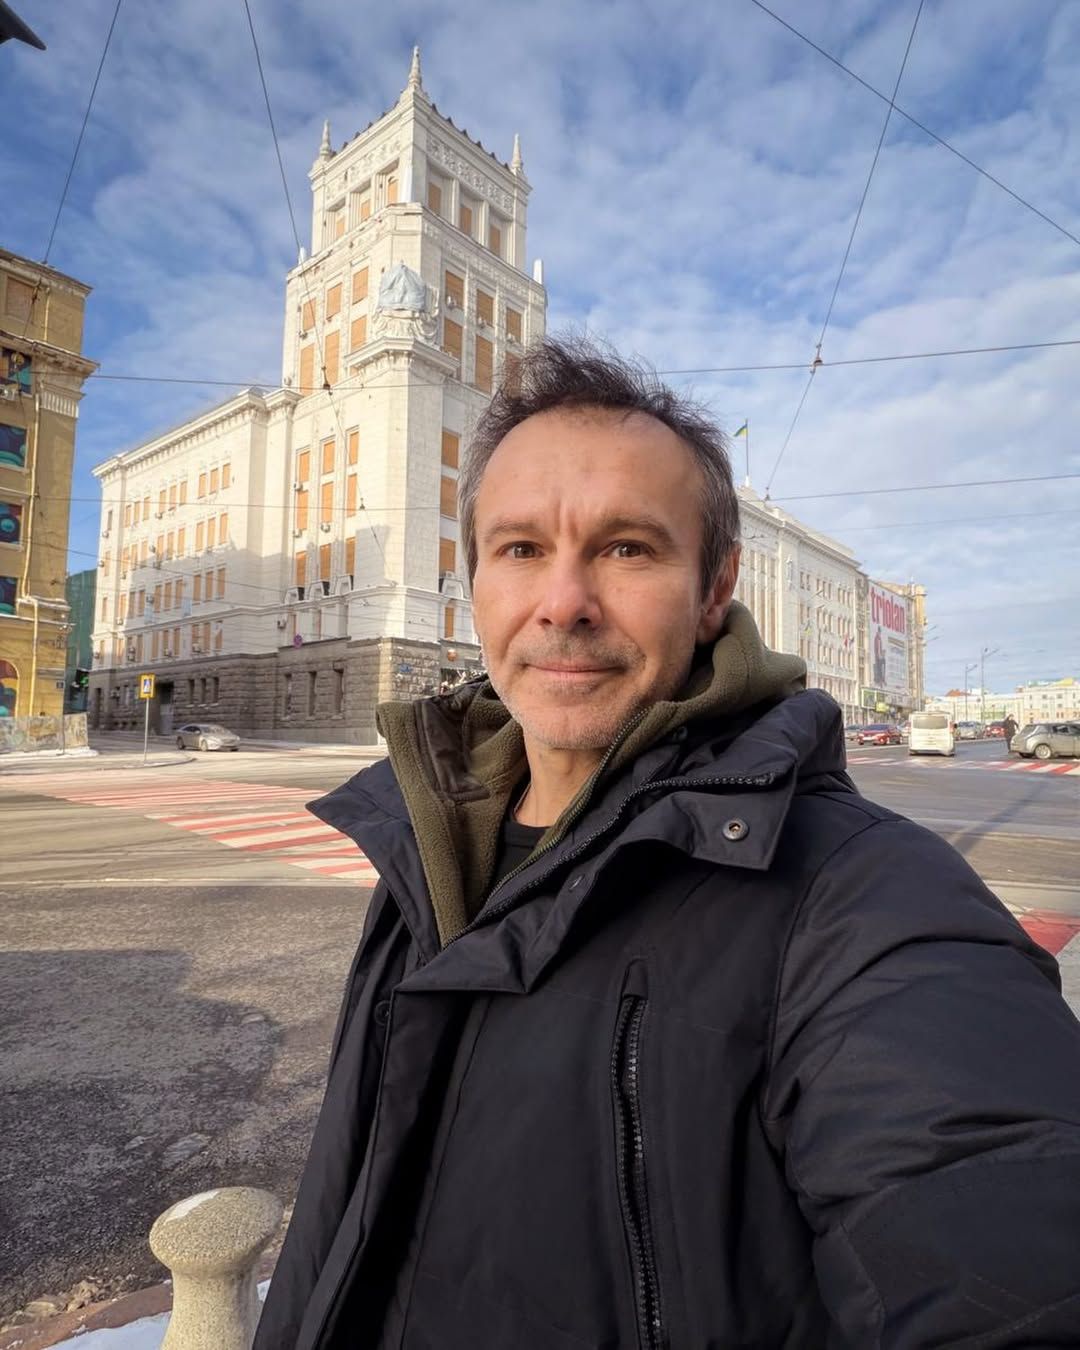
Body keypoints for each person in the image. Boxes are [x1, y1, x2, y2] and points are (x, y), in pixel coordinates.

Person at [255, 338, 1080, 1349]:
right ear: (475, 583)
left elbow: (994, 1221)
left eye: (626, 549)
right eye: (521, 549)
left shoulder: (865, 895)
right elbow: (339, 1215)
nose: (564, 601)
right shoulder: (425, 848)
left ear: (714, 588)